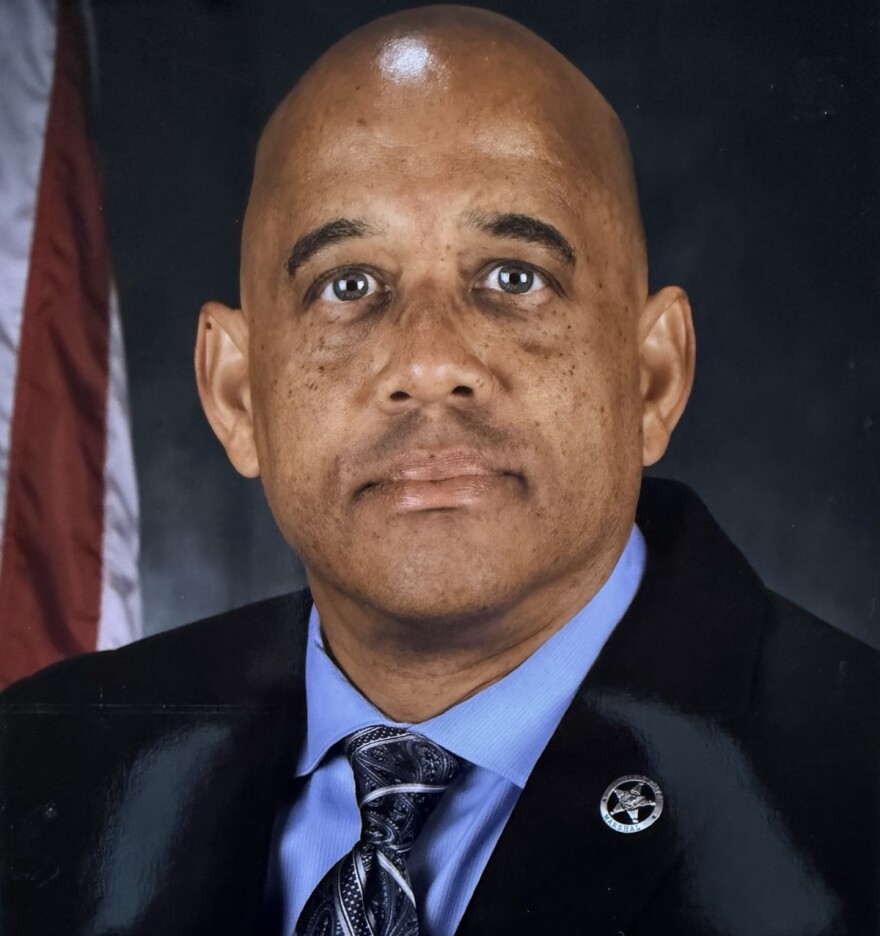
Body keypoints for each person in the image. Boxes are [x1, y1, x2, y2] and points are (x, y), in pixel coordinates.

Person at [0, 6, 877, 935]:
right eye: (347, 284)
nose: (427, 361)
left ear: (653, 377)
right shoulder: (38, 766)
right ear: (235, 395)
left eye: (513, 276)